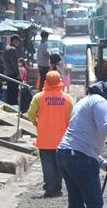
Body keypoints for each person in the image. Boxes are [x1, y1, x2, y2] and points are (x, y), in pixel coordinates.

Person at [27, 70, 73, 198]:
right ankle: (57, 188)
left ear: (45, 81)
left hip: (44, 137)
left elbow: (30, 114)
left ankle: (49, 188)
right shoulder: (67, 98)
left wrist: (36, 123)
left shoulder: (38, 97)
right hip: (62, 139)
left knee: (47, 163)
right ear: (60, 81)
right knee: (59, 164)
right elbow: (72, 118)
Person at [3, 36, 22, 107]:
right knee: (14, 92)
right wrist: (18, 74)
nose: (18, 43)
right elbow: (14, 64)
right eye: (18, 41)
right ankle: (13, 106)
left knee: (10, 91)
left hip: (8, 73)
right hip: (13, 73)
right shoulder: (12, 49)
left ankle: (9, 105)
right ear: (14, 40)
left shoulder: (7, 48)